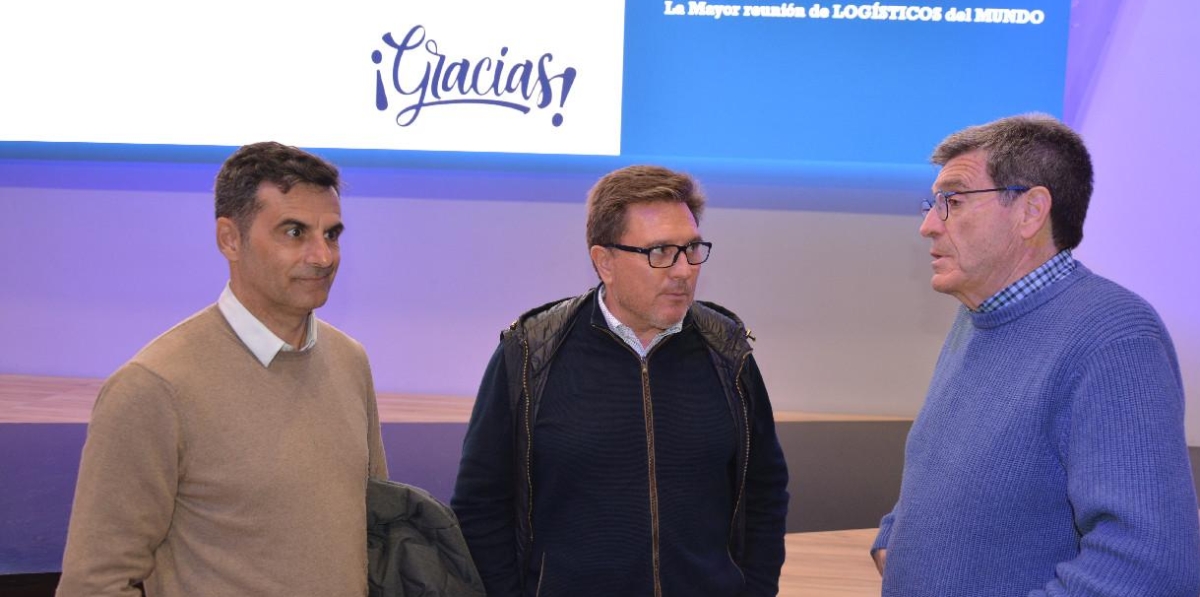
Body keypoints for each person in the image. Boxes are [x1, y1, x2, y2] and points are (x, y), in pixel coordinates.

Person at [872, 114, 1200, 595]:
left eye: (953, 202)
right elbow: (953, 474)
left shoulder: (1114, 337)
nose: (927, 226)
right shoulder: (978, 315)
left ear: (1030, 211)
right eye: (933, 204)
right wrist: (894, 538)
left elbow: (1148, 567)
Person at [57, 142, 389, 596]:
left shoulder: (350, 361)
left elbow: (379, 530)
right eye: (294, 232)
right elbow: (93, 584)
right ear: (229, 239)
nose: (323, 256)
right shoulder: (153, 387)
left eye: (331, 234)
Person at [451, 165, 789, 597]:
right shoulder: (531, 354)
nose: (683, 270)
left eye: (691, 248)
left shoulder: (728, 351)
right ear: (604, 262)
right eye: (660, 251)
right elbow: (480, 504)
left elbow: (764, 492)